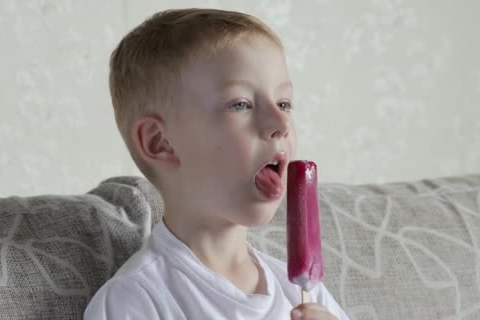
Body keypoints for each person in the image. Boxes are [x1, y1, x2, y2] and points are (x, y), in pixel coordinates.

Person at [84, 8, 349, 320]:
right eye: (240, 104)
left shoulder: (305, 292)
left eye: (284, 103)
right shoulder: (137, 299)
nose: (281, 122)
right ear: (161, 142)